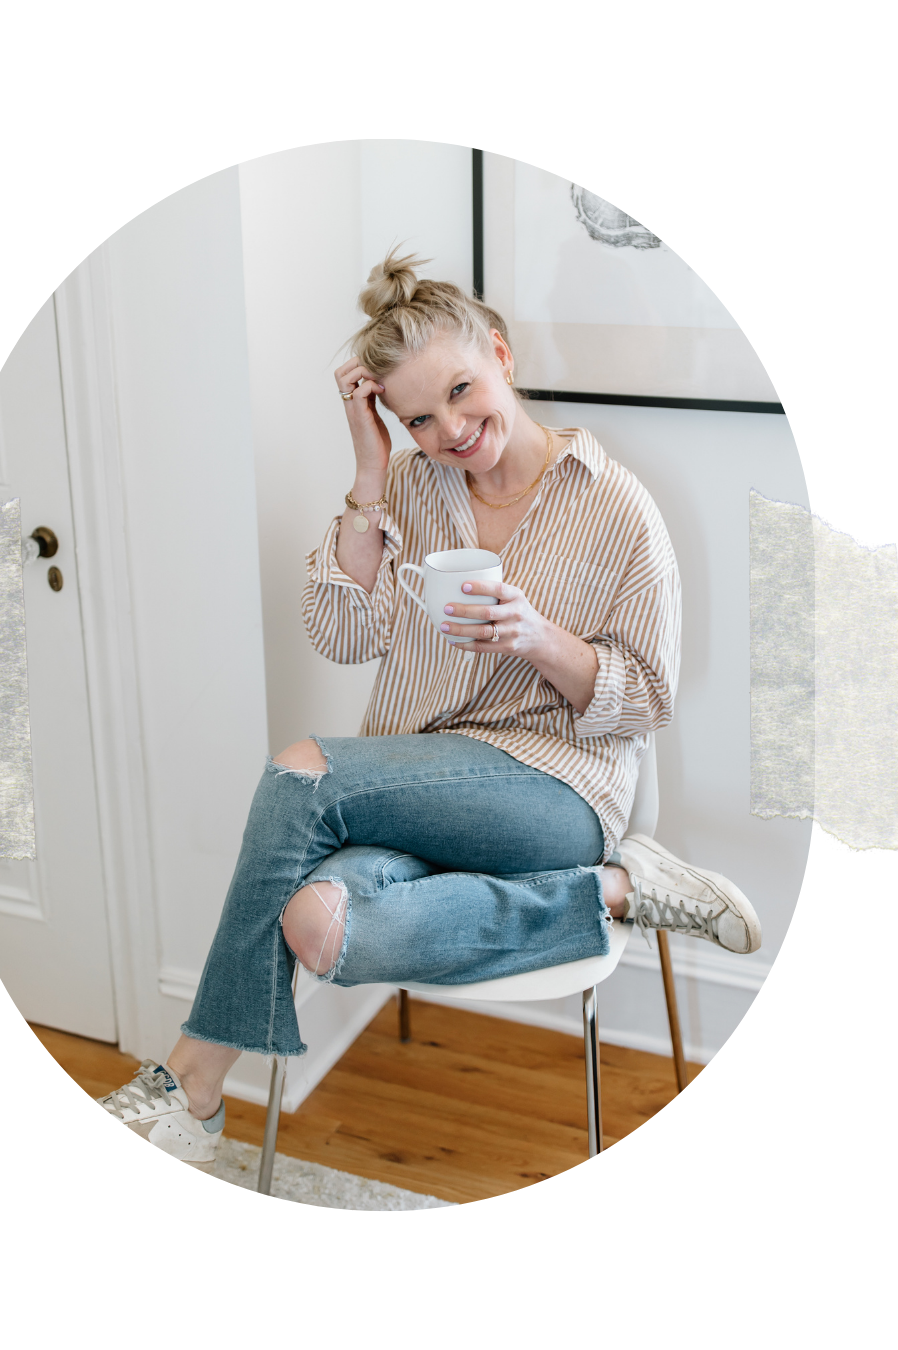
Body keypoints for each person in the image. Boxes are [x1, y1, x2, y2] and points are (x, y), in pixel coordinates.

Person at [98, 250, 762, 1170]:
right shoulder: (410, 485)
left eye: (461, 391)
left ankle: (192, 1085)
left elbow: (645, 699)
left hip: (554, 792)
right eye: (418, 418)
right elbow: (341, 633)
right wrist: (370, 468)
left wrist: (538, 638)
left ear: (501, 355)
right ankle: (616, 893)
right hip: (419, 785)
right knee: (318, 924)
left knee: (300, 773)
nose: (450, 430)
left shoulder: (616, 506)